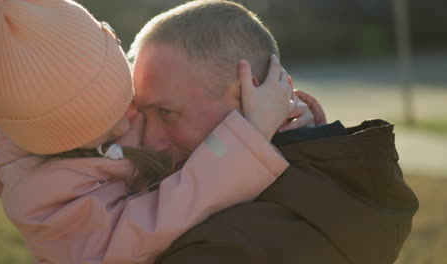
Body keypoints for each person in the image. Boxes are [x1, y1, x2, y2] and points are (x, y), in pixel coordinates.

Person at [0, 0, 314, 263]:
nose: (136, 129)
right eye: (143, 107)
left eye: (130, 102)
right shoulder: (37, 189)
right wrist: (251, 134)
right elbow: (136, 233)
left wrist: (288, 122)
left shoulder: (96, 113)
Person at [127, 1, 420, 263]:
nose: (148, 140)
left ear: (251, 95)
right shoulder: (317, 175)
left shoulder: (234, 244)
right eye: (141, 114)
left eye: (167, 113)